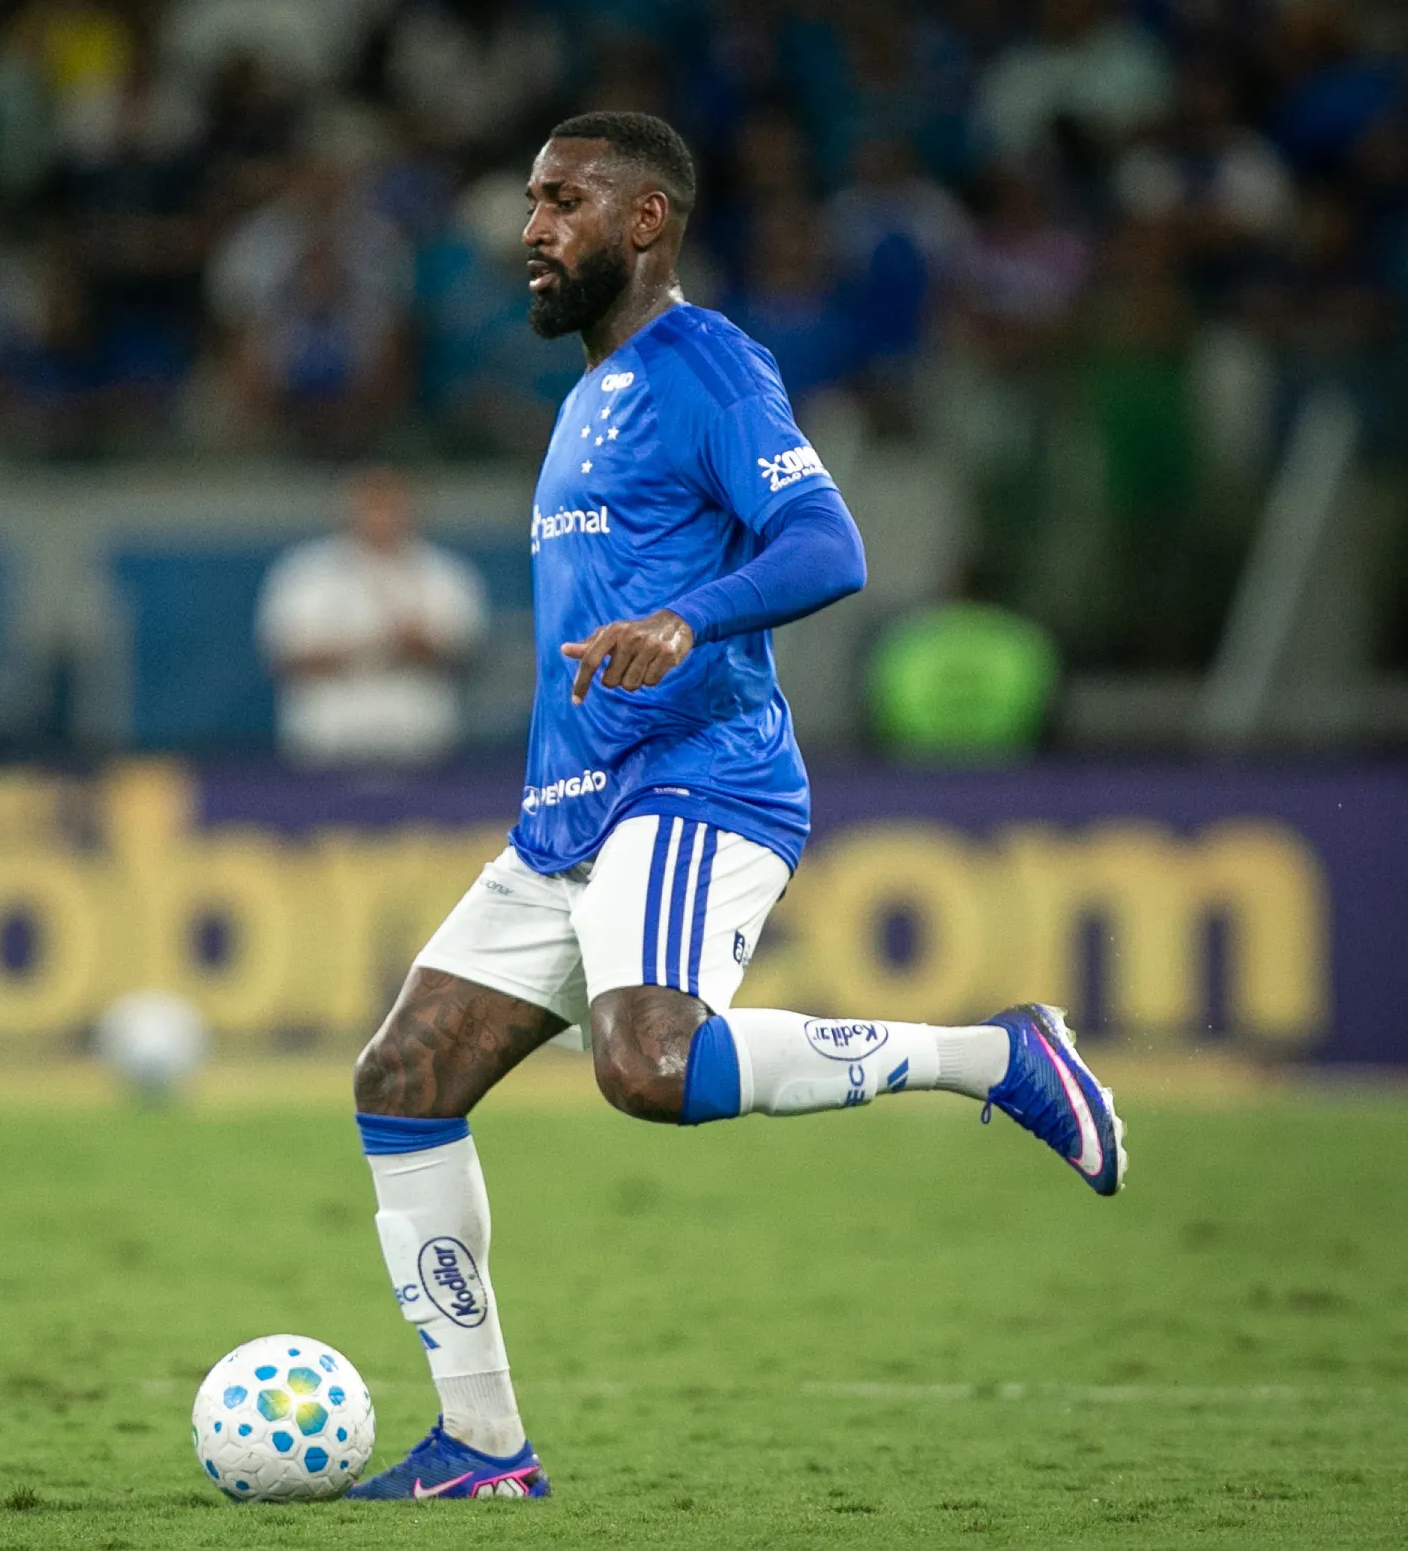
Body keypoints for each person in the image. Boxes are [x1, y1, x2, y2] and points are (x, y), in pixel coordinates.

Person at [345, 111, 1127, 1504]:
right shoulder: (589, 395)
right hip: (571, 816)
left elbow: (828, 541)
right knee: (402, 1080)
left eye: (561, 201)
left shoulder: (703, 363)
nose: (531, 229)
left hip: (699, 776)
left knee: (649, 1063)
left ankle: (998, 1059)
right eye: (529, 201)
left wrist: (686, 620)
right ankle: (480, 1445)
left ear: (645, 222)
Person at [256, 467, 486, 768]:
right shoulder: (305, 572)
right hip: (326, 741)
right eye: (371, 505)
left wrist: (413, 644)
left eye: (390, 505)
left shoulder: (444, 573)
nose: (380, 516)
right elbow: (284, 656)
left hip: (418, 741)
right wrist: (364, 647)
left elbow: (463, 654)